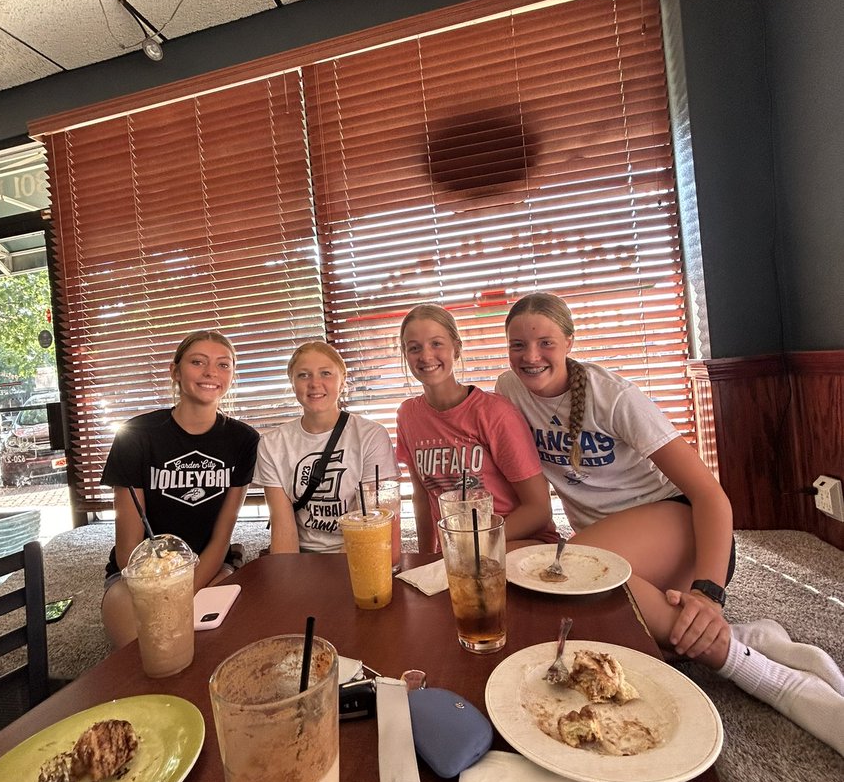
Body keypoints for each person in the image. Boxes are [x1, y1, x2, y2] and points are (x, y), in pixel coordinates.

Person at [496, 291, 844, 755]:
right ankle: (743, 637)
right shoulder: (508, 390)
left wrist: (709, 592)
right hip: (617, 555)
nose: (531, 356)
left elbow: (710, 495)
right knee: (521, 575)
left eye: (545, 343)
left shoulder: (615, 397)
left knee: (574, 567)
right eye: (518, 345)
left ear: (569, 342)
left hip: (683, 531)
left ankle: (777, 682)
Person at [100, 330, 259, 648]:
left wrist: (183, 594)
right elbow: (127, 548)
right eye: (197, 362)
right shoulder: (136, 435)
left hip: (210, 568)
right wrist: (159, 592)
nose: (211, 372)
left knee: (216, 643)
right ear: (175, 370)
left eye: (223, 365)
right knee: (144, 649)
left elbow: (221, 537)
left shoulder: (244, 440)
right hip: (139, 575)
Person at [396, 303, 558, 553]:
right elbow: (422, 498)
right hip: (459, 552)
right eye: (414, 348)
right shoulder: (408, 415)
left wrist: (476, 543)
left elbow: (538, 509)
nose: (426, 356)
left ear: (456, 348)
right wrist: (426, 560)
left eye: (436, 343)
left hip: (518, 543)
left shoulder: (494, 413)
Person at [254, 341, 398, 553]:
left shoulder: (371, 435)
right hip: (304, 555)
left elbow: (371, 523)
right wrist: (286, 578)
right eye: (303, 375)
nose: (314, 383)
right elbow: (283, 529)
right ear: (292, 384)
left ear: (342, 381)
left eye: (326, 373)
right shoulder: (271, 444)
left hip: (358, 551)